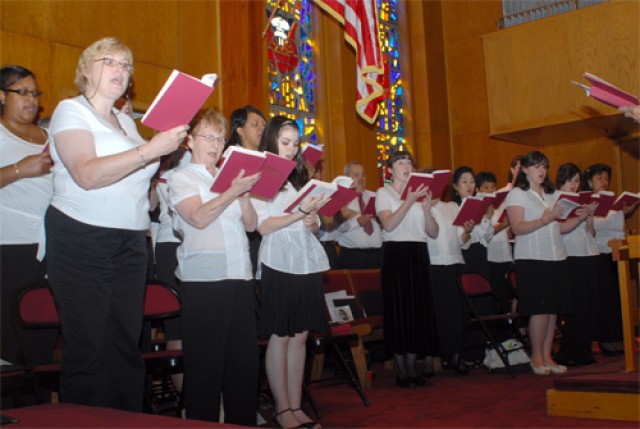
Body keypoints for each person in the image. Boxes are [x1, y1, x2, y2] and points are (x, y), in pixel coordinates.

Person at [45, 37, 188, 410]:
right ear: (86, 68)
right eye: (110, 62)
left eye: (127, 66)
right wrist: (150, 150)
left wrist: (164, 152)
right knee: (88, 346)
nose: (121, 71)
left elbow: (139, 177)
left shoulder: (126, 121)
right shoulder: (70, 110)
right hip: (80, 235)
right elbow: (88, 175)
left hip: (130, 241)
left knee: (126, 344)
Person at [168, 108, 260, 425]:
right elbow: (198, 217)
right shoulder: (181, 177)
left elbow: (250, 226)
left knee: (243, 365)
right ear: (190, 141)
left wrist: (244, 195)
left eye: (220, 138)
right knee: (206, 367)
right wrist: (232, 190)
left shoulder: (228, 177)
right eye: (207, 136)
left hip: (240, 276)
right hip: (205, 282)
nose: (215, 143)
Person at [254, 116, 330, 429]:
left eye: (295, 144)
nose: (290, 149)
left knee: (301, 336)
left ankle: (296, 406)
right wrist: (298, 213)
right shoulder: (261, 175)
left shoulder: (300, 176)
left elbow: (312, 223)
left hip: (306, 260)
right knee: (281, 336)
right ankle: (282, 409)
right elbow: (263, 225)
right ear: (271, 141)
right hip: (278, 260)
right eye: (285, 142)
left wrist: (313, 222)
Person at [505, 151, 586, 376]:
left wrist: (579, 218)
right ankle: (536, 358)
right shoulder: (518, 195)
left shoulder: (552, 195)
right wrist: (544, 219)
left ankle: (548, 356)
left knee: (553, 311)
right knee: (540, 310)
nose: (541, 171)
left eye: (544, 166)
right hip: (532, 257)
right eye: (536, 166)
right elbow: (518, 227)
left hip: (556, 256)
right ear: (525, 169)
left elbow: (558, 228)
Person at [0, 65, 54, 366]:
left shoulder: (48, 135)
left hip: (51, 247)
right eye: (22, 92)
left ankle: (42, 407)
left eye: (35, 93)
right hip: (10, 246)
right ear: (1, 96)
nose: (31, 99)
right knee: (10, 335)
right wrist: (21, 170)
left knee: (42, 336)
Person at [376, 150, 438, 388]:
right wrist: (410, 200)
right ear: (390, 170)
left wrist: (426, 210)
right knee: (400, 311)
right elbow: (389, 224)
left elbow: (433, 232)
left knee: (416, 311)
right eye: (400, 162)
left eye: (409, 162)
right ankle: (402, 372)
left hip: (418, 253)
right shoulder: (384, 192)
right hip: (396, 255)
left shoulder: (421, 196)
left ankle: (413, 369)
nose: (406, 166)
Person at [582, 163, 639, 356]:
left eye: (606, 178)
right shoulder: (588, 202)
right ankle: (606, 340)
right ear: (590, 182)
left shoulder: (613, 199)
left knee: (617, 297)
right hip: (600, 252)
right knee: (605, 299)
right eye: (599, 178)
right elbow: (594, 227)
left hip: (618, 251)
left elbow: (616, 223)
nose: (604, 182)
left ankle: (620, 338)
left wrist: (626, 210)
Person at [425, 168, 473, 376]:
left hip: (454, 263)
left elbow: (462, 240)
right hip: (432, 265)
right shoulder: (418, 208)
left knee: (457, 313)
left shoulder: (452, 206)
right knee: (436, 313)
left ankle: (457, 356)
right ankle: (434, 356)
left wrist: (468, 231)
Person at [554, 163, 599, 366]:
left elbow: (592, 234)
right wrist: (579, 218)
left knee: (589, 306)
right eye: (571, 180)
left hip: (589, 253)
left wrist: (588, 219)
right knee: (576, 307)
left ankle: (585, 351)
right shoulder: (557, 200)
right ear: (562, 180)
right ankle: (570, 352)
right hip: (570, 256)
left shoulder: (581, 200)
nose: (574, 184)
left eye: (577, 180)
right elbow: (559, 230)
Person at [227, 105, 267, 275]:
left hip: (266, 230)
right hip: (241, 231)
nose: (262, 128)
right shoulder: (229, 158)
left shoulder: (269, 159)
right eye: (255, 124)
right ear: (240, 130)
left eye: (264, 124)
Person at [476, 171, 514, 312]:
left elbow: (507, 228)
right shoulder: (478, 206)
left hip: (505, 255)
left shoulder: (498, 205)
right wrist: (503, 225)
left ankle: (509, 330)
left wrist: (509, 225)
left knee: (506, 296)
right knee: (495, 298)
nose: (490, 190)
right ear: (478, 190)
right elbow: (485, 235)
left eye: (493, 187)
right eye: (486, 187)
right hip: (490, 258)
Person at [336, 161, 383, 269]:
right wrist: (357, 222)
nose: (361, 178)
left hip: (378, 254)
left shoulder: (375, 196)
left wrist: (380, 220)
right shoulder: (341, 199)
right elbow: (339, 228)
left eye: (363, 174)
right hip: (354, 256)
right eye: (356, 175)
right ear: (347, 177)